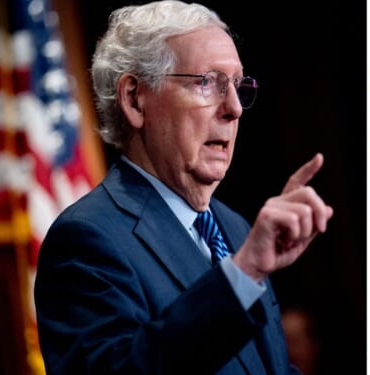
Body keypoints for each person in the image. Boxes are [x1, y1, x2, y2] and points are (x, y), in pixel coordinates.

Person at [33, 1, 333, 374]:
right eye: (207, 82)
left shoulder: (236, 228)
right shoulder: (86, 240)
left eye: (238, 85)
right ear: (134, 99)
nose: (235, 108)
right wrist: (242, 276)